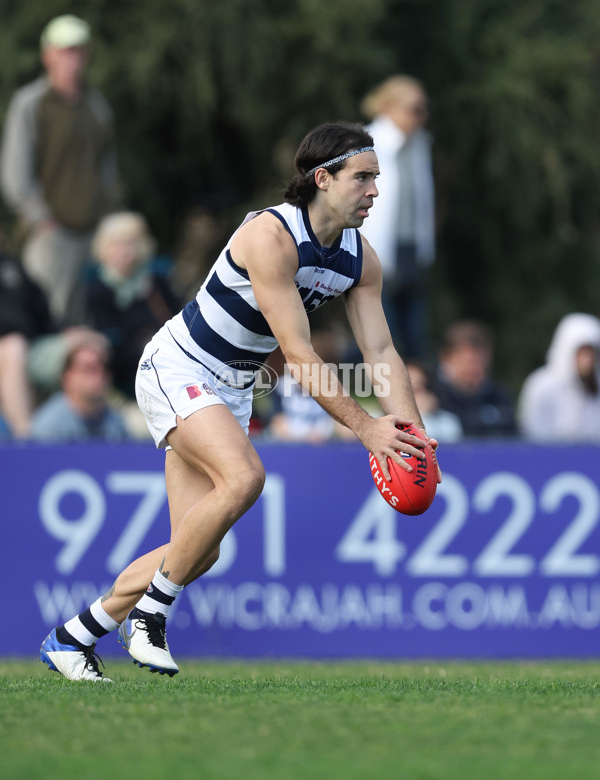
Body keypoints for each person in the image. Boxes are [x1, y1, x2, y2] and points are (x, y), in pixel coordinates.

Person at [40, 121, 440, 682]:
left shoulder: (360, 259)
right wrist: (366, 429)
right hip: (178, 366)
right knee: (245, 477)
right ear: (322, 179)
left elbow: (380, 351)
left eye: (376, 179)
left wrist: (413, 439)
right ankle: (150, 616)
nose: (376, 191)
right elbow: (299, 355)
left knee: (198, 551)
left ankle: (72, 638)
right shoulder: (270, 237)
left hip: (231, 387)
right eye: (364, 178)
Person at [0, 15, 119, 327]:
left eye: (78, 50)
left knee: (91, 316)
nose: (73, 57)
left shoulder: (97, 105)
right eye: (65, 50)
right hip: (51, 232)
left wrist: (108, 216)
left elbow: (107, 167)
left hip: (94, 231)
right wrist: (40, 218)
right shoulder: (30, 103)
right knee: (47, 316)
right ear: (47, 55)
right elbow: (15, 170)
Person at [360, 75, 435, 359]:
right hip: (376, 247)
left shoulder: (420, 145)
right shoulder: (369, 142)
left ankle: (413, 383)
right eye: (415, 108)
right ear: (389, 107)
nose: (422, 116)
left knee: (414, 328)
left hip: (412, 247)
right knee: (380, 322)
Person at [84, 212, 181, 398]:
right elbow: (109, 338)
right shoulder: (97, 289)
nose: (122, 251)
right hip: (129, 372)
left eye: (128, 244)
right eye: (115, 245)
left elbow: (177, 318)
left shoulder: (156, 281)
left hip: (168, 358)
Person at [31, 333, 130, 442]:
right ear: (67, 377)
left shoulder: (115, 422)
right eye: (88, 368)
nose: (99, 374)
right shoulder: (50, 426)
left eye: (103, 367)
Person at [518, 312, 600, 442]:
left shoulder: (596, 387)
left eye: (591, 352)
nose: (587, 360)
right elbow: (533, 434)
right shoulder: (541, 386)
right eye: (582, 351)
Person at [0, 247, 54, 439]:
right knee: (14, 347)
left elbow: (41, 307)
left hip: (31, 344)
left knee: (85, 351)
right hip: (13, 346)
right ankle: (23, 435)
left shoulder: (12, 265)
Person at [433, 320, 518, 438]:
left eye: (478, 361)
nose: (473, 368)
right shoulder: (432, 393)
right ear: (446, 358)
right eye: (467, 361)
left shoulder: (499, 394)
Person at [406, 360, 463, 443]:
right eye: (406, 389)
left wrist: (422, 416)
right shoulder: (382, 421)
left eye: (416, 389)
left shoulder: (447, 422)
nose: (410, 396)